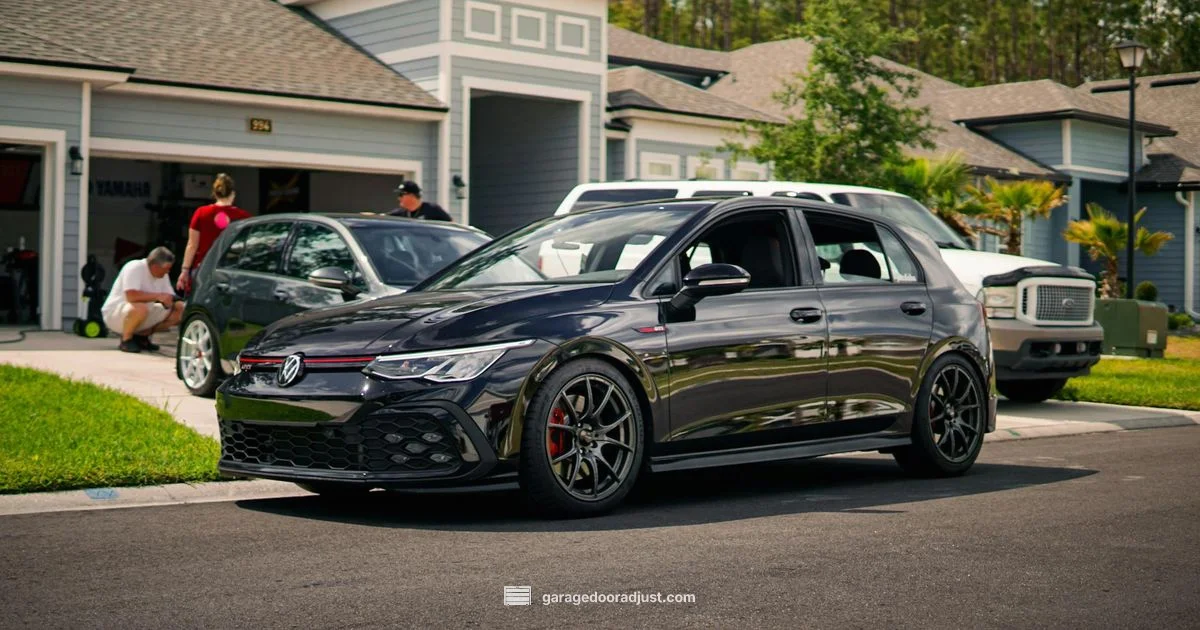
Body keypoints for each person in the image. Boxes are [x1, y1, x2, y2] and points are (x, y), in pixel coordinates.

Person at [177, 173, 250, 294]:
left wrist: (185, 270)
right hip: (231, 270)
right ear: (233, 194)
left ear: (215, 193)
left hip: (203, 267)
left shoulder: (201, 213)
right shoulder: (243, 217)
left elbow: (192, 245)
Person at [102, 247, 184, 353]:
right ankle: (126, 340)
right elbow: (131, 296)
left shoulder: (163, 275)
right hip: (115, 314)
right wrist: (158, 296)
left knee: (180, 309)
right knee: (140, 307)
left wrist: (180, 303)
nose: (168, 271)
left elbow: (170, 296)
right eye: (167, 268)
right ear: (155, 266)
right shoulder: (134, 267)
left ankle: (142, 337)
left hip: (142, 311)